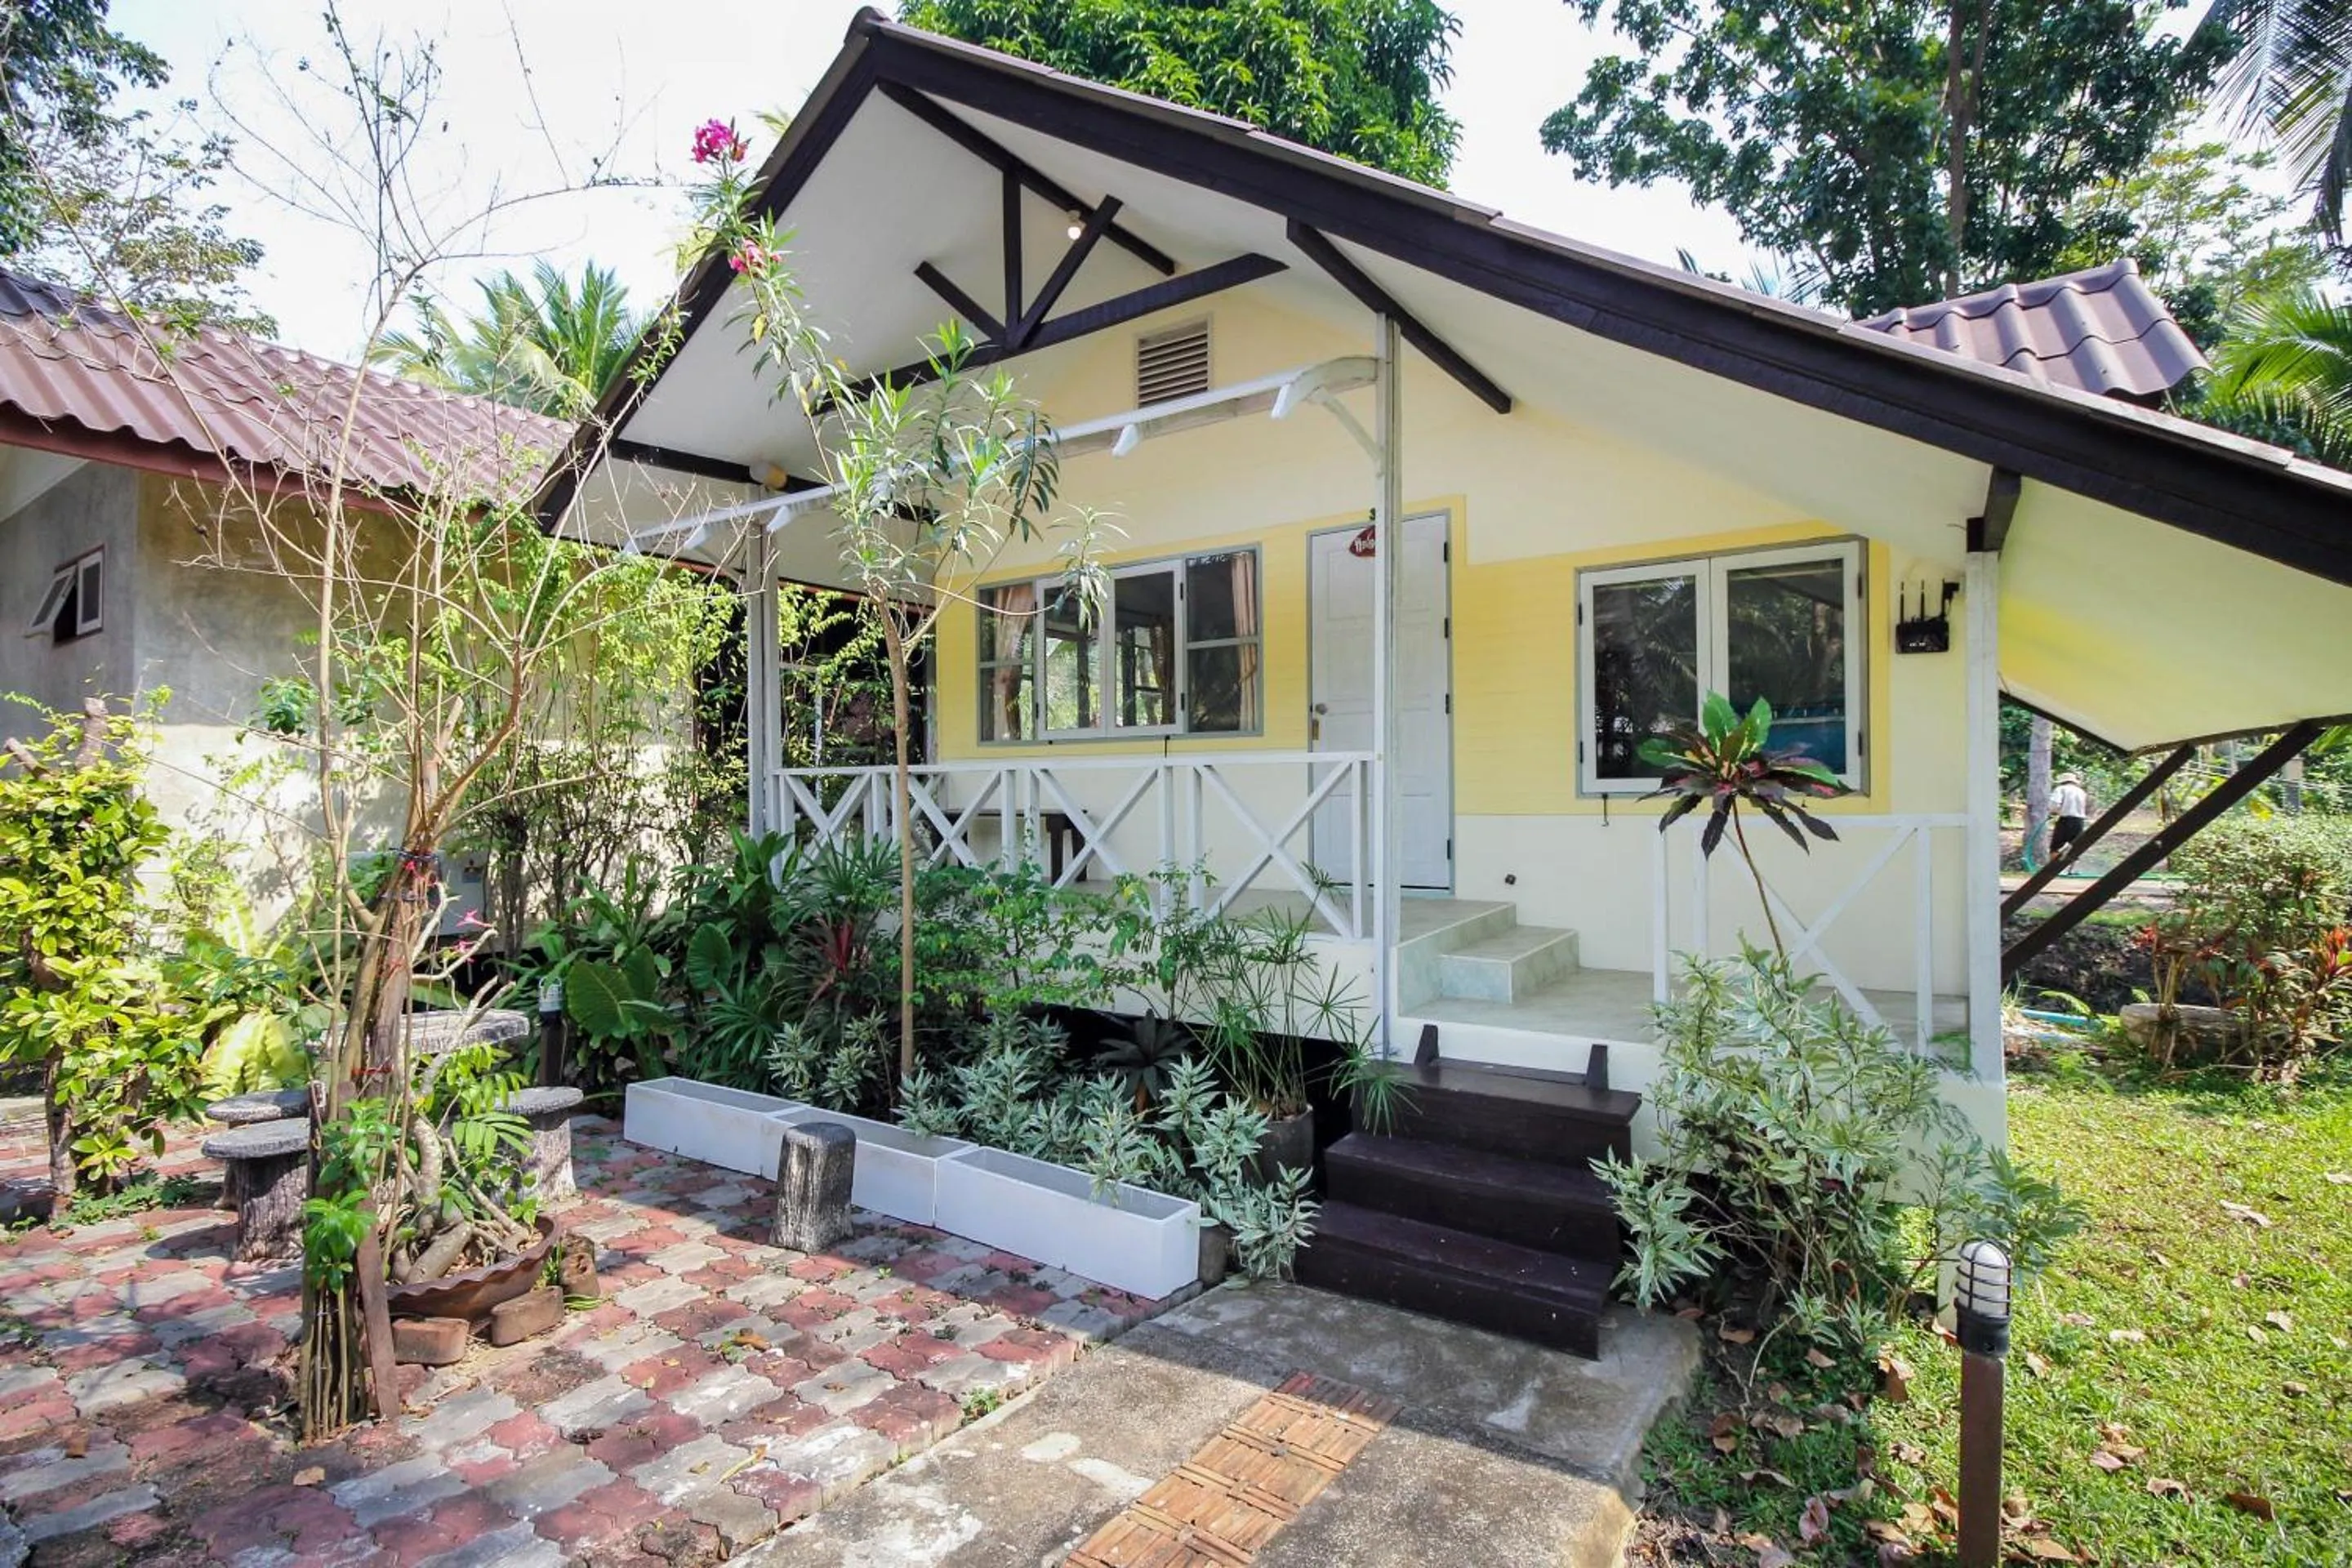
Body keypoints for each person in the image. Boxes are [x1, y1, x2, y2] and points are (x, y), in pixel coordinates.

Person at [2048, 772, 2091, 862]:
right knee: (2075, 847)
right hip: (2079, 821)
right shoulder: (2081, 792)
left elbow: (2054, 805)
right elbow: (2086, 806)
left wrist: (2054, 812)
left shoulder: (2061, 789)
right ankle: (2070, 870)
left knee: (2056, 846)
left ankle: (2051, 869)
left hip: (2066, 820)